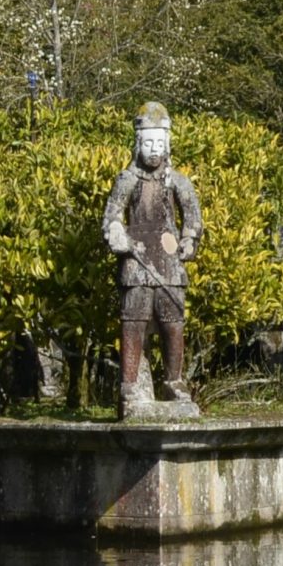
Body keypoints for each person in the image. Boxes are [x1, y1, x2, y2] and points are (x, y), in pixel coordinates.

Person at [101, 103, 203, 418]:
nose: (154, 150)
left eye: (159, 144)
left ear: (167, 144)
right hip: (137, 259)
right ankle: (129, 384)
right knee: (134, 321)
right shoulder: (127, 179)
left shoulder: (178, 182)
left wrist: (189, 241)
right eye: (148, 143)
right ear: (138, 143)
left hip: (169, 261)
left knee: (173, 323)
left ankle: (174, 381)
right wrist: (117, 233)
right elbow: (112, 215)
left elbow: (193, 217)